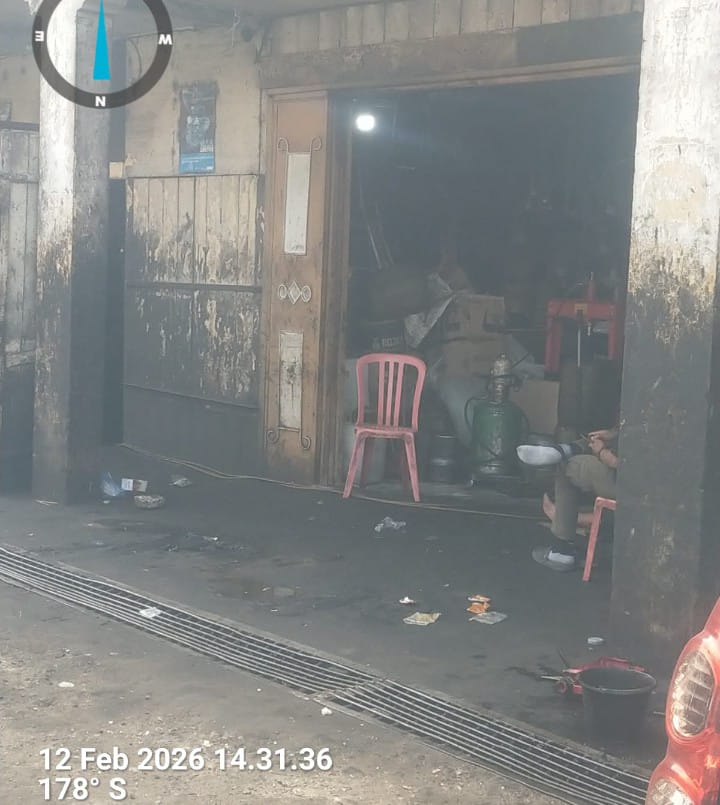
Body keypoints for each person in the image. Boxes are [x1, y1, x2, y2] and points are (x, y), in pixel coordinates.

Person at [532, 428, 619, 571]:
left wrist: (602, 452)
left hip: (626, 483)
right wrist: (613, 433)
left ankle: (561, 552)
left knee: (567, 465)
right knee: (593, 441)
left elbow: (621, 464)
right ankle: (566, 449)